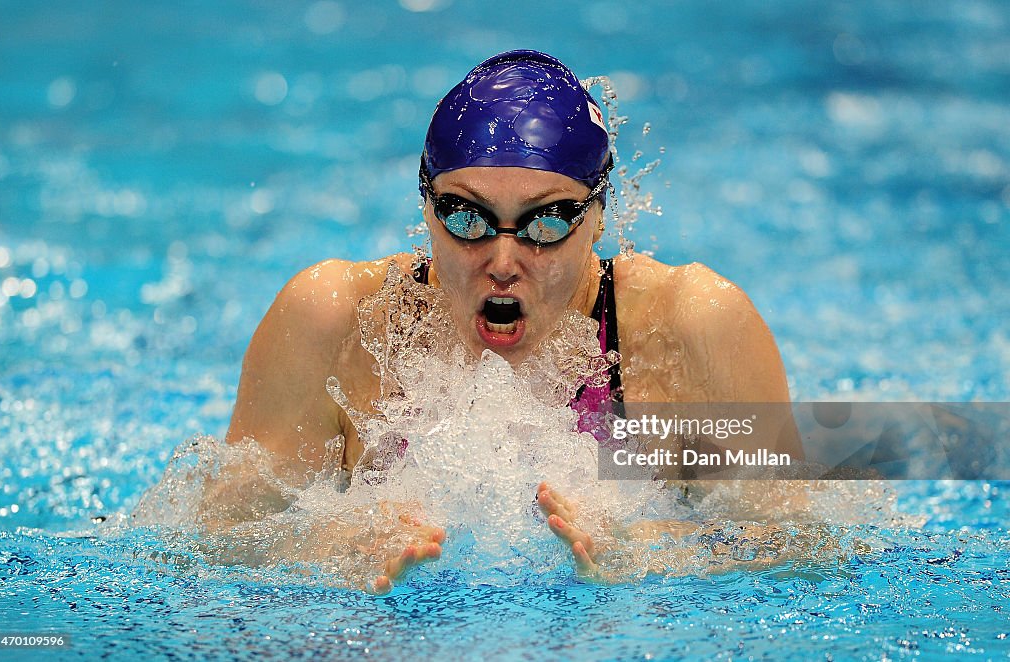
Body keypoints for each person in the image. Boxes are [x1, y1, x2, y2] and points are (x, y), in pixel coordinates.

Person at [215, 50, 801, 593]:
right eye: (466, 219)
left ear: (597, 216)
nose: (501, 263)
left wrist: (651, 550)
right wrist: (334, 544)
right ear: (426, 208)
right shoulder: (336, 320)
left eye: (545, 223)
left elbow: (812, 541)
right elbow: (202, 541)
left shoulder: (693, 327)